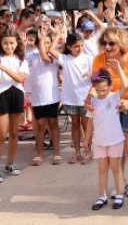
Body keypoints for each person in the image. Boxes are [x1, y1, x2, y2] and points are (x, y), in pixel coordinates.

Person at [91, 27, 128, 197]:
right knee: (117, 147)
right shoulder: (99, 60)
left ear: (121, 44)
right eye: (104, 43)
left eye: (111, 44)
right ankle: (120, 181)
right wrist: (91, 100)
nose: (107, 47)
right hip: (109, 106)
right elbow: (95, 85)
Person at [83, 66, 127, 211]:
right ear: (94, 88)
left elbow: (125, 84)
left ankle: (119, 194)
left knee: (116, 168)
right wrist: (86, 141)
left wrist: (118, 67)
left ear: (110, 87)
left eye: (104, 90)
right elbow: (90, 123)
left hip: (115, 140)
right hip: (99, 142)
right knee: (102, 169)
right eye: (98, 90)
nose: (102, 93)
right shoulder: (93, 102)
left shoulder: (114, 97)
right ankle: (102, 196)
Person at [49, 32, 93, 165]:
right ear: (69, 46)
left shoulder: (88, 58)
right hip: (70, 99)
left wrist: (91, 73)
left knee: (86, 125)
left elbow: (96, 73)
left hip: (85, 98)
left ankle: (88, 152)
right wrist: (57, 35)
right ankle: (77, 153)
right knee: (75, 125)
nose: (79, 49)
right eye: (75, 46)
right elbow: (51, 50)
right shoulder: (64, 58)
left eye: (81, 46)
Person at [28, 27, 61, 166]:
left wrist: (45, 36)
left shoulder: (53, 57)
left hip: (52, 97)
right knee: (40, 125)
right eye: (43, 42)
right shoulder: (30, 57)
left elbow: (44, 57)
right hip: (37, 98)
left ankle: (56, 153)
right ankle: (40, 154)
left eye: (48, 42)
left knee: (53, 123)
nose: (46, 44)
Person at [0, 28, 29, 181]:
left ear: (16, 43)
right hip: (2, 95)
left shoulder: (21, 60)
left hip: (17, 94)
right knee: (1, 134)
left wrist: (3, 67)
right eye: (5, 43)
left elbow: (19, 78)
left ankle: (10, 163)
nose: (9, 46)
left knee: (14, 132)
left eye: (11, 43)